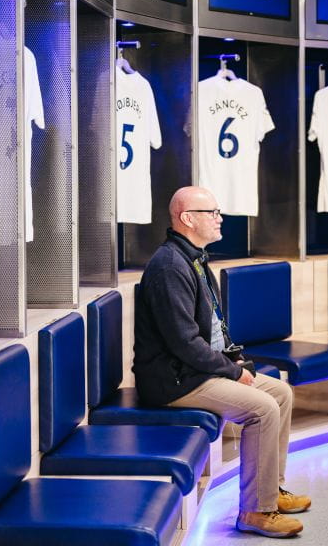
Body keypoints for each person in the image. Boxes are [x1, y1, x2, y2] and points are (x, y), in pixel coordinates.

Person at [133, 185, 310, 538]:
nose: (219, 218)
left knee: (281, 394)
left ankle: (270, 491)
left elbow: (211, 330)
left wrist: (235, 361)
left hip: (195, 370)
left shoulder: (194, 257)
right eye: (211, 212)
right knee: (262, 409)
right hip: (174, 381)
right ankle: (255, 513)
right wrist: (232, 372)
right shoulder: (169, 266)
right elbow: (184, 342)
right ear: (187, 219)